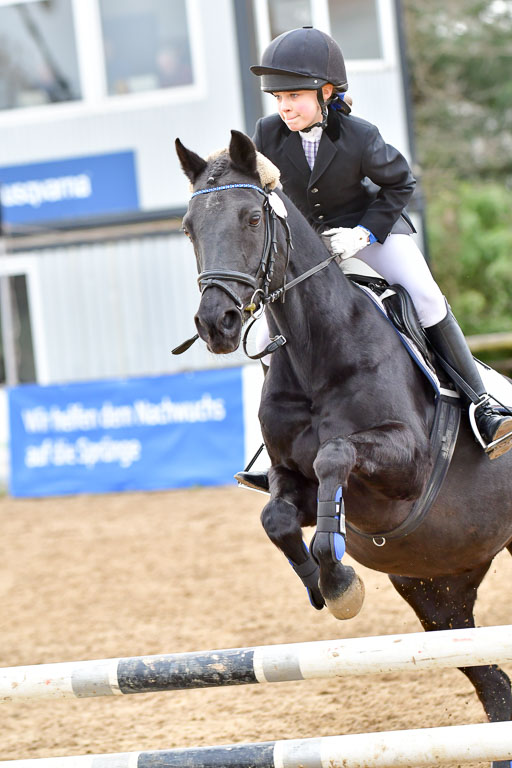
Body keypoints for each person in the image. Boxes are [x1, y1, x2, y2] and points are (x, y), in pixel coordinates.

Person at [236, 25, 512, 492]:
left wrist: (363, 233)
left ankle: (482, 406)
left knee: (426, 298)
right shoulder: (266, 133)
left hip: (369, 231)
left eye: (295, 96)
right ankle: (277, 447)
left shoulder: (361, 135)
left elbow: (400, 184)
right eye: (279, 97)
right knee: (265, 332)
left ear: (326, 92)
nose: (284, 107)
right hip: (309, 246)